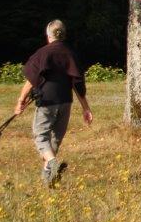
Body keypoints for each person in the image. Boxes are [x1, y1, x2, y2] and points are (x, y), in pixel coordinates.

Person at [15, 20, 92, 186]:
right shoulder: (71, 53)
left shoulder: (43, 53)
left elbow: (31, 80)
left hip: (47, 101)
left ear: (48, 35)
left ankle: (52, 163)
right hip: (66, 101)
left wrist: (21, 100)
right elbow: (77, 84)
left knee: (41, 136)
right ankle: (48, 180)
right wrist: (86, 108)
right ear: (63, 35)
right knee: (55, 140)